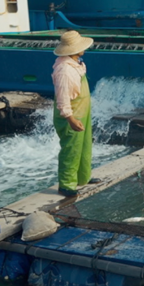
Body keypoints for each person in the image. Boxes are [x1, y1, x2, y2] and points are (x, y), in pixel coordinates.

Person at [51, 30, 103, 197]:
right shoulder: (64, 70)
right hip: (72, 113)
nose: (84, 48)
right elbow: (63, 98)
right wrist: (70, 118)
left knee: (85, 144)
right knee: (71, 148)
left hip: (83, 110)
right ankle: (66, 184)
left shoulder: (76, 63)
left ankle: (83, 177)